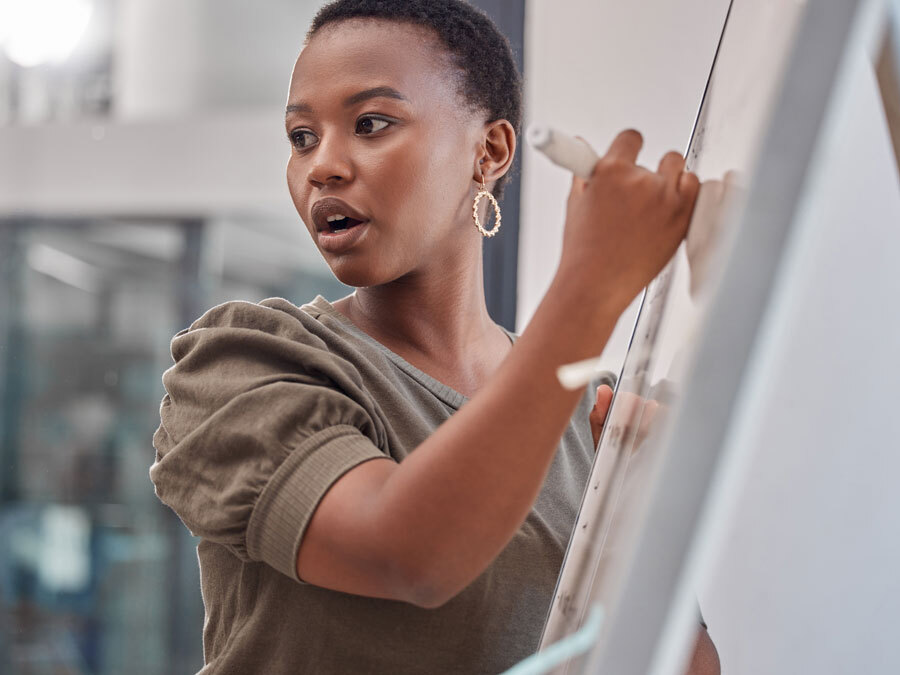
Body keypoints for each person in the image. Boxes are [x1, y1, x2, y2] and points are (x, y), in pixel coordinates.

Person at [149, 1, 719, 673]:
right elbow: (408, 556)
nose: (321, 166)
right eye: (301, 137)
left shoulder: (588, 415)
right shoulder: (242, 365)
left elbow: (684, 663)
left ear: (490, 151)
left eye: (370, 123)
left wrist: (643, 511)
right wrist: (591, 283)